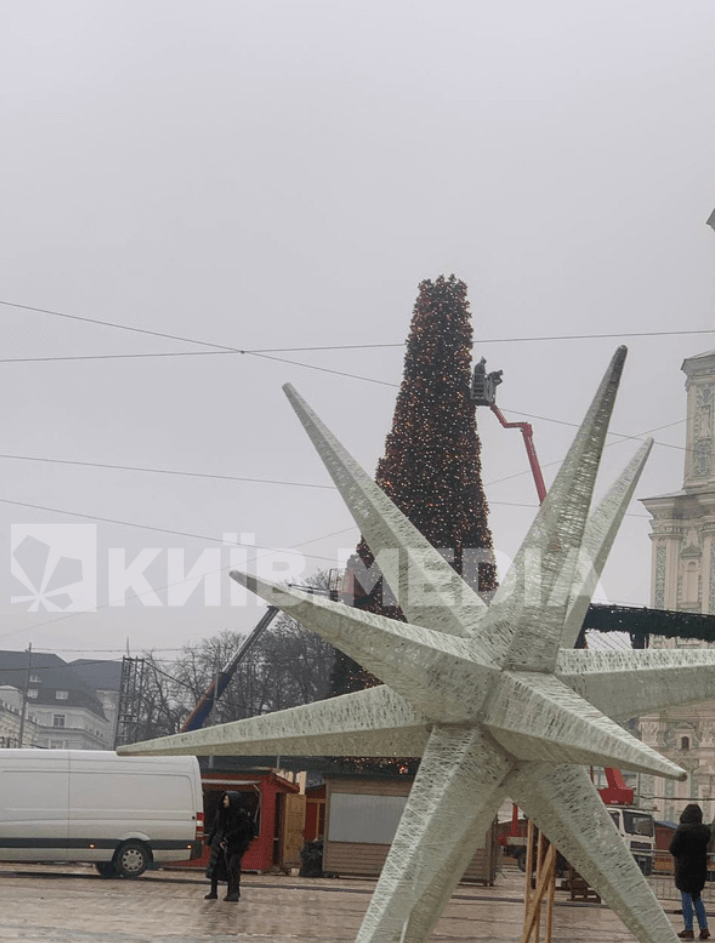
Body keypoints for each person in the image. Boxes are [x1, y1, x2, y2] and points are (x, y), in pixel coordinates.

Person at [205, 791, 255, 902]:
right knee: (215, 868)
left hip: (235, 845)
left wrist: (228, 838)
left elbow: (243, 830)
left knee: (232, 868)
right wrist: (210, 840)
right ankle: (214, 892)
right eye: (224, 799)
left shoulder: (240, 813)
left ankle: (234, 892)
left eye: (226, 799)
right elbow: (215, 827)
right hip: (220, 843)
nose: (224, 802)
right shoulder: (221, 812)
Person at [670, 803, 711, 939]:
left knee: (686, 897)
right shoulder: (705, 831)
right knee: (697, 898)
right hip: (699, 869)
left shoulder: (682, 830)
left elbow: (673, 849)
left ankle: (689, 929)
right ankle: (704, 928)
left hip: (685, 868)